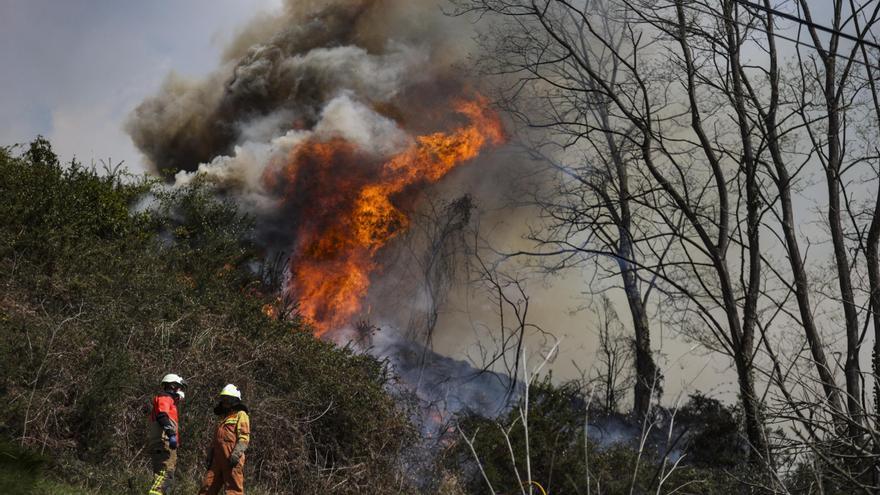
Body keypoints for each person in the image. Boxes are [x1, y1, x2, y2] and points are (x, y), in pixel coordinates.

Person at [198, 384, 250, 495]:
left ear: (235, 400)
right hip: (217, 459)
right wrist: (210, 454)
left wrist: (236, 454)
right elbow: (216, 439)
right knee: (207, 487)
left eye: (228, 399)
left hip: (232, 459)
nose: (225, 402)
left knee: (233, 490)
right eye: (224, 399)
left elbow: (244, 437)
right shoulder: (222, 417)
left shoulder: (241, 415)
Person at [147, 373, 186, 495]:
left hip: (163, 443)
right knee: (165, 476)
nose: (180, 391)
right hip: (164, 443)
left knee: (162, 477)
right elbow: (162, 416)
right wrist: (171, 434)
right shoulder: (165, 398)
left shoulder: (168, 401)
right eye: (179, 387)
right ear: (173, 386)